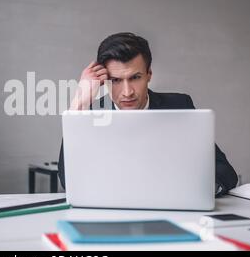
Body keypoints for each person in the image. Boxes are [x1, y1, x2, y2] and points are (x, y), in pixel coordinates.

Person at [58, 32, 238, 196]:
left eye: (135, 78)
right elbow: (69, 181)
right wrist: (78, 102)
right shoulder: (89, 115)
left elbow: (224, 171)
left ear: (149, 74)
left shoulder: (179, 106)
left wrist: (198, 190)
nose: (127, 92)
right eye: (116, 80)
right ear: (104, 81)